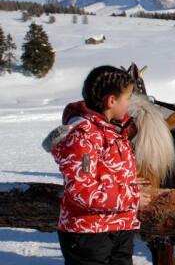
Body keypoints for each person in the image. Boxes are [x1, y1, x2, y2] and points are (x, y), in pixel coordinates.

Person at [42, 66, 150, 265]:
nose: (129, 104)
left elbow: (103, 171)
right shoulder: (83, 137)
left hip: (119, 227)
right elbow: (82, 190)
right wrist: (131, 197)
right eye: (127, 98)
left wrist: (126, 181)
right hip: (89, 234)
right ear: (111, 101)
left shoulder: (114, 131)